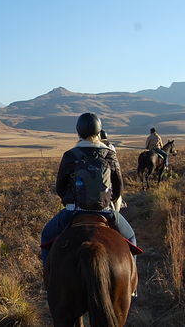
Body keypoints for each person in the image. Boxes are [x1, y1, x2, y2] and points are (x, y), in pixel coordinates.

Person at [40, 112, 137, 265]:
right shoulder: (109, 154)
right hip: (105, 211)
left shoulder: (70, 155)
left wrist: (69, 202)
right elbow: (119, 188)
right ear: (99, 131)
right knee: (131, 238)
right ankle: (132, 288)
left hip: (73, 210)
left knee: (46, 236)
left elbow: (60, 187)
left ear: (78, 132)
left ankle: (47, 276)